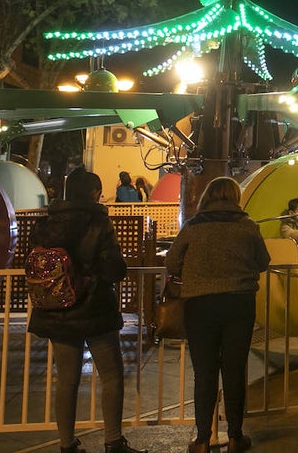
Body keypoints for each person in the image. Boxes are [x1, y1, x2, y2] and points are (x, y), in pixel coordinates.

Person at [27, 168, 145, 453]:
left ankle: (67, 444)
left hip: (56, 309)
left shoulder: (46, 224)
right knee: (112, 375)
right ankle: (113, 440)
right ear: (93, 193)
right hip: (94, 310)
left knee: (66, 381)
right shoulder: (98, 223)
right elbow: (114, 268)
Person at [166, 177, 270, 453]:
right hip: (239, 304)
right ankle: (235, 436)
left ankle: (202, 439)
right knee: (235, 371)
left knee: (205, 373)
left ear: (207, 197)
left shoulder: (193, 227)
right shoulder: (247, 227)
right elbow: (263, 262)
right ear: (236, 197)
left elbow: (171, 261)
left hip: (200, 307)